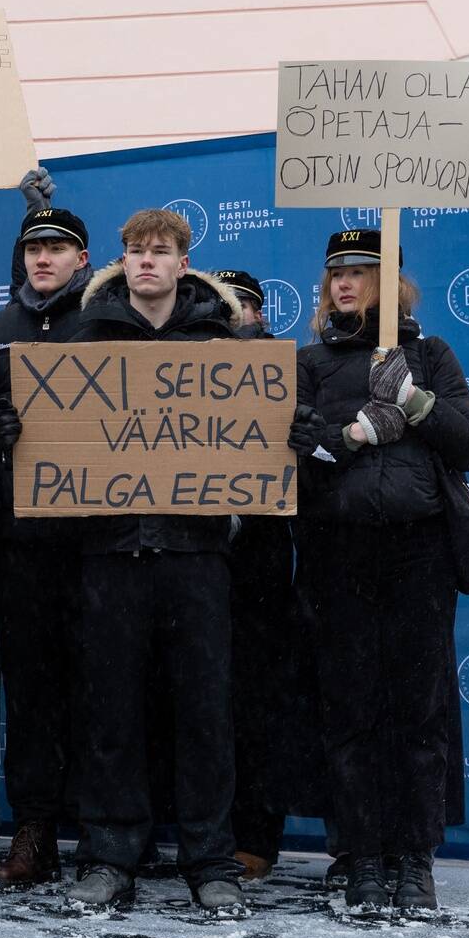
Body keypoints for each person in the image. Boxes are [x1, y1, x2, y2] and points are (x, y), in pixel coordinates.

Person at [288, 229, 469, 916]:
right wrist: (352, 435)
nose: (343, 282)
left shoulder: (430, 354)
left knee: (419, 707)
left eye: (360, 271)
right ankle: (360, 853)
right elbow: (296, 464)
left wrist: (418, 405)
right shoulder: (311, 362)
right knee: (350, 707)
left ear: (391, 280)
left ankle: (414, 854)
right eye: (334, 271)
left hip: (418, 553)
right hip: (338, 555)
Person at [64, 209, 249, 917]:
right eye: (136, 250)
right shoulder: (85, 335)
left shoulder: (220, 340)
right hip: (109, 551)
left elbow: (248, 435)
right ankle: (111, 855)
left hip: (196, 551)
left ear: (183, 262)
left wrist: (277, 432)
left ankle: (210, 860)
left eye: (161, 251)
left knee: (205, 711)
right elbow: (61, 432)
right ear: (121, 260)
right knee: (111, 709)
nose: (147, 261)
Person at [0, 169, 91, 888]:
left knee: (105, 689)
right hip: (22, 544)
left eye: (57, 247)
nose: (42, 258)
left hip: (98, 544)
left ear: (83, 258)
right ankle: (35, 828)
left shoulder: (106, 323)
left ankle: (109, 834)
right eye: (32, 248)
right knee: (32, 692)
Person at [210, 270, 301, 881]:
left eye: (245, 304)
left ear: (262, 314)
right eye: (224, 304)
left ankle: (257, 836)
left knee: (260, 705)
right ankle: (204, 833)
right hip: (196, 558)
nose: (236, 313)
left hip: (263, 563)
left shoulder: (287, 371)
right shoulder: (177, 363)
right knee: (194, 704)